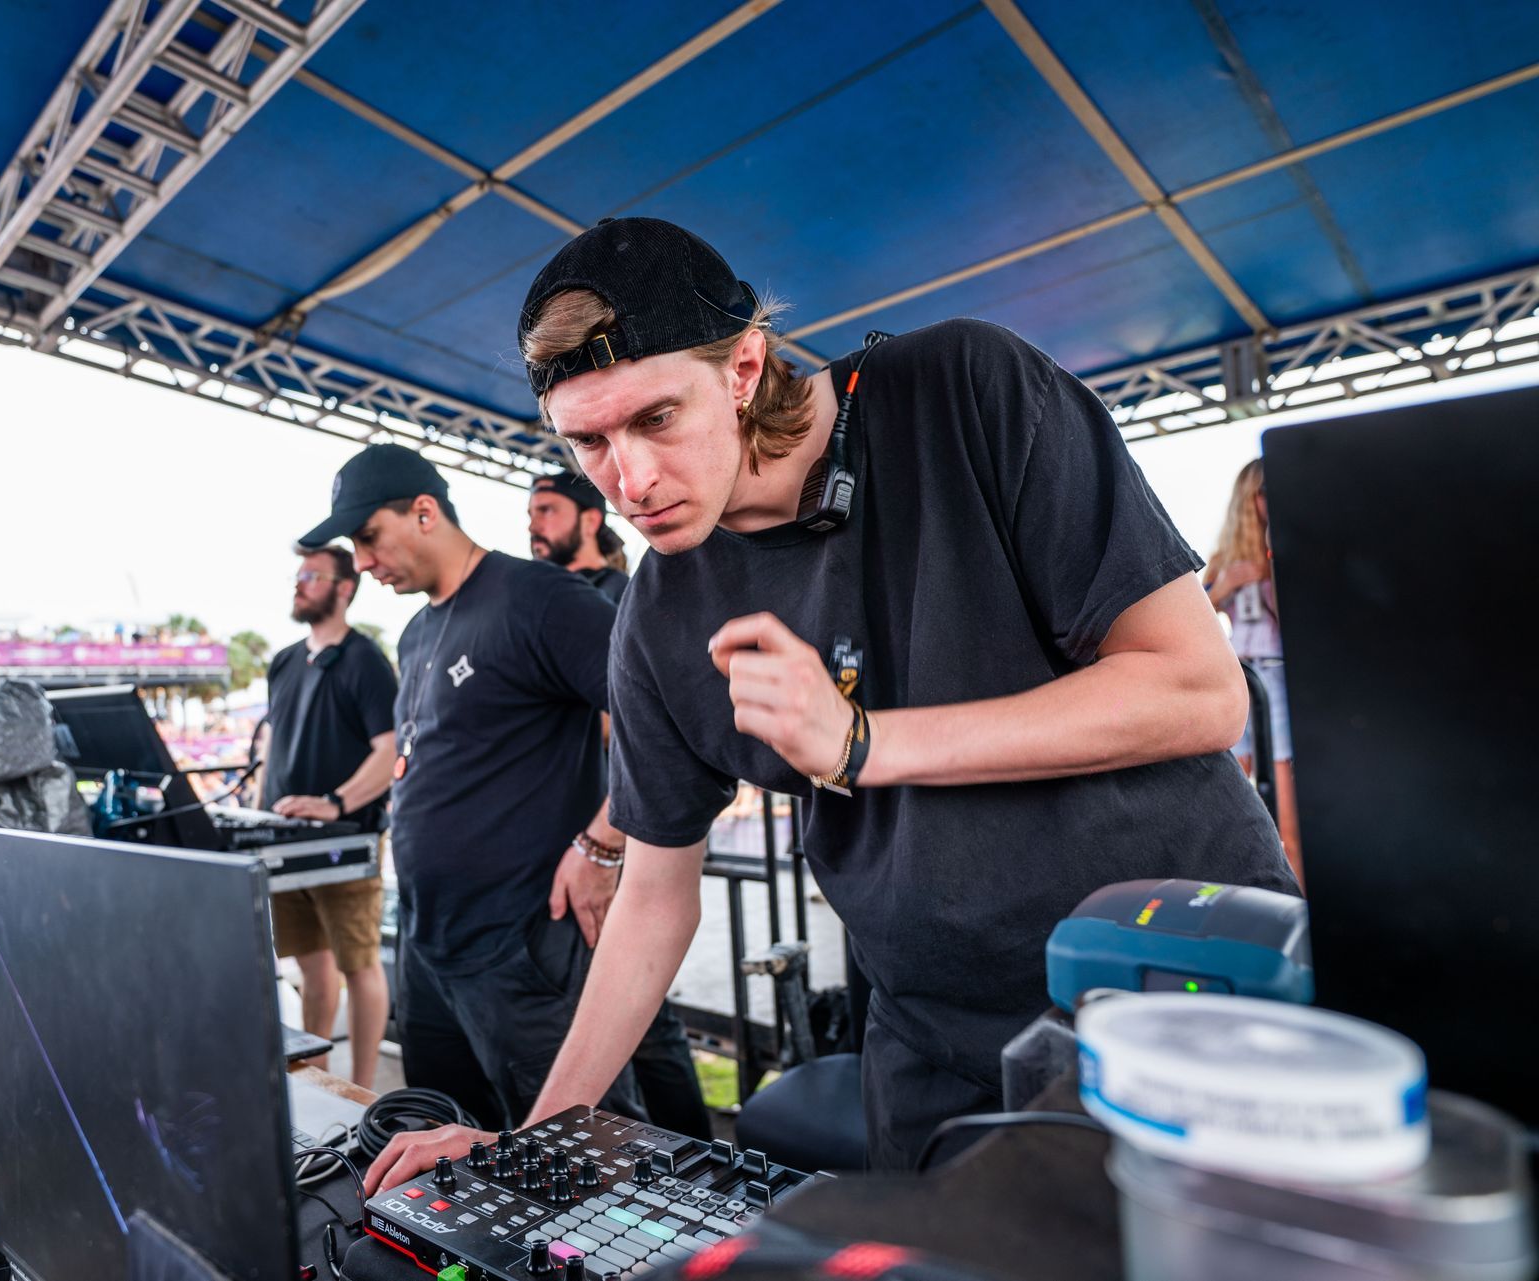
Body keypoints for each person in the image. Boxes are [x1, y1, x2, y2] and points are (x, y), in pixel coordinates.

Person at [365, 216, 1296, 1188]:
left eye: (656, 419)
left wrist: (858, 742)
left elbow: (1197, 691)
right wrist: (539, 1135)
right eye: (589, 441)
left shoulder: (965, 388)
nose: (629, 480)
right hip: (937, 1047)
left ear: (742, 368)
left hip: (1187, 996)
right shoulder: (657, 612)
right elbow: (654, 894)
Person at [296, 443, 692, 1129]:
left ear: (424, 512)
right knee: (446, 1153)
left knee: (580, 1154)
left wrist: (604, 843)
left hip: (522, 950)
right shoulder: (417, 631)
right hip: (425, 947)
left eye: (368, 537)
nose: (361, 562)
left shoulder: (540, 598)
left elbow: (671, 714)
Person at [527, 468, 712, 1140]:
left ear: (587, 518)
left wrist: (603, 838)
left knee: (647, 1013)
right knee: (624, 1005)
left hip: (627, 829)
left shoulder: (624, 594)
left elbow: (645, 725)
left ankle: (698, 1156)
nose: (533, 524)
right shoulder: (548, 598)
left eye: (547, 510)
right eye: (529, 512)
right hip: (580, 843)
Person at [256, 545, 398, 1087]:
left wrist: (335, 803)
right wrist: (256, 815)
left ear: (344, 588)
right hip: (285, 844)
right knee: (312, 967)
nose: (299, 584)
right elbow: (272, 746)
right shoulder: (284, 661)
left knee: (359, 966)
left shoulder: (365, 659)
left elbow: (389, 752)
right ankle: (317, 1082)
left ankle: (361, 1093)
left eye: (311, 575)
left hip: (347, 841)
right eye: (298, 575)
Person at [1204, 459, 1301, 881]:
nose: (1267, 501)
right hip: (1237, 676)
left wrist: (1271, 574)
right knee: (1230, 787)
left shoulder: (1283, 548)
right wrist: (1222, 587)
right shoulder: (1224, 558)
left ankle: (1298, 904)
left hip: (1276, 678)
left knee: (1285, 805)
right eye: (1261, 493)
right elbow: (1192, 621)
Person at [527, 470, 633, 603]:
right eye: (531, 514)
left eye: (546, 510)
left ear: (590, 521)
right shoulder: (534, 588)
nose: (532, 527)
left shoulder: (619, 592)